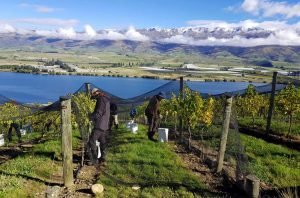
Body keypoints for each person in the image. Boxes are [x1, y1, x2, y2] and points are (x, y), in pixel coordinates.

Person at [87, 88, 110, 165]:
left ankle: (94, 159)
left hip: (99, 125)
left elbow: (98, 113)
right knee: (103, 141)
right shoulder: (106, 98)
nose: (94, 98)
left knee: (91, 140)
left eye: (93, 95)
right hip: (105, 125)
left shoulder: (100, 100)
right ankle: (103, 159)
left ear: (95, 93)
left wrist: (90, 117)